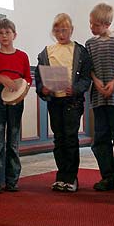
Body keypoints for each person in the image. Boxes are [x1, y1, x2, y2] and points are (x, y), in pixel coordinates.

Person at [35, 13, 92, 192]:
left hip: (72, 101)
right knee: (59, 139)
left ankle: (71, 177)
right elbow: (39, 77)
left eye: (65, 30)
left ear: (71, 30)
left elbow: (85, 78)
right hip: (55, 101)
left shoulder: (80, 51)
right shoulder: (46, 52)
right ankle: (61, 175)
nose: (61, 34)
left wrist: (75, 89)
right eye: (58, 30)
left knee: (70, 138)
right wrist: (42, 88)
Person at [85, 2, 114, 192]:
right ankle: (107, 176)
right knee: (101, 139)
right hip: (99, 98)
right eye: (90, 23)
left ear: (106, 24)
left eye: (95, 24)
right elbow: (88, 69)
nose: (92, 27)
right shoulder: (90, 44)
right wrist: (96, 81)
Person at [0, 18, 32, 194]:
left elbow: (28, 78)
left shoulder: (22, 56)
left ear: (14, 35)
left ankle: (12, 180)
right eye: (1, 33)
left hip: (17, 100)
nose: (4, 36)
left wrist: (19, 85)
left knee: (13, 140)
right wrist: (0, 79)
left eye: (8, 32)